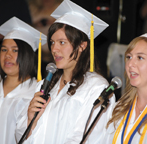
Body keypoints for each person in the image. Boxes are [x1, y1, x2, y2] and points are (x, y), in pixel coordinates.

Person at [15, 0, 116, 143]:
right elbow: (22, 137)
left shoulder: (96, 88)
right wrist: (31, 120)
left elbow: (91, 138)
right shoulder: (46, 85)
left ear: (82, 46)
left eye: (62, 42)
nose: (54, 49)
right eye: (52, 42)